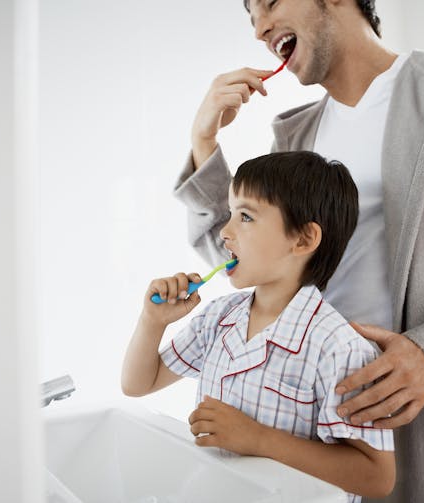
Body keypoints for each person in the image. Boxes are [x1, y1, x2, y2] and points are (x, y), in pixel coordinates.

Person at [172, 0, 424, 501]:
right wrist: (203, 141)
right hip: (309, 444)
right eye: (249, 16)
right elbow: (246, 262)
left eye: (269, 3)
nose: (258, 28)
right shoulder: (292, 141)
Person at [122, 151, 396, 501]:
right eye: (231, 214)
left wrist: (258, 439)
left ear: (303, 240)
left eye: (246, 217)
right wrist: (152, 322)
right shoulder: (219, 318)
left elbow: (377, 476)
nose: (225, 232)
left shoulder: (339, 348)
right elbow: (137, 384)